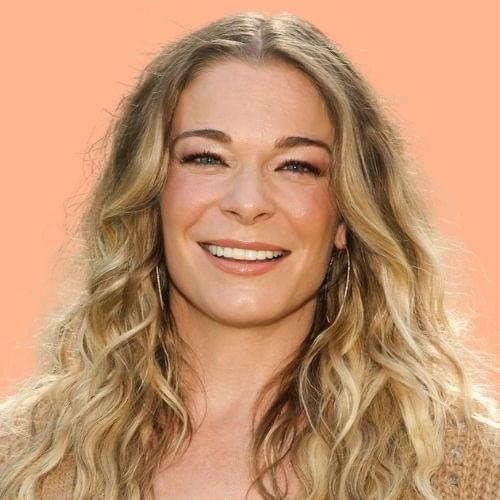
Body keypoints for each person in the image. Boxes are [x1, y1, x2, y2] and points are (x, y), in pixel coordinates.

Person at [0, 10, 498, 500]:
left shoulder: (465, 469)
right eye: (207, 158)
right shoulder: (20, 459)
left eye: (296, 166)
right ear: (151, 194)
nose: (248, 203)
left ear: (347, 214)